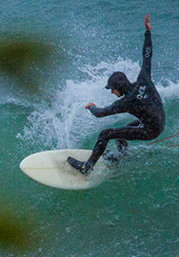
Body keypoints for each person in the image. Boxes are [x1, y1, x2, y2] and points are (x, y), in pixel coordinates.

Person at [69, 15, 165, 175]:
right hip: (160, 120)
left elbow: (100, 113)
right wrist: (148, 32)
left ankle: (87, 168)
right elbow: (147, 56)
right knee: (123, 132)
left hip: (151, 130)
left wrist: (91, 106)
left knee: (105, 134)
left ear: (119, 87)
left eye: (112, 89)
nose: (112, 92)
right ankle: (121, 157)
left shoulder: (126, 102)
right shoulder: (143, 79)